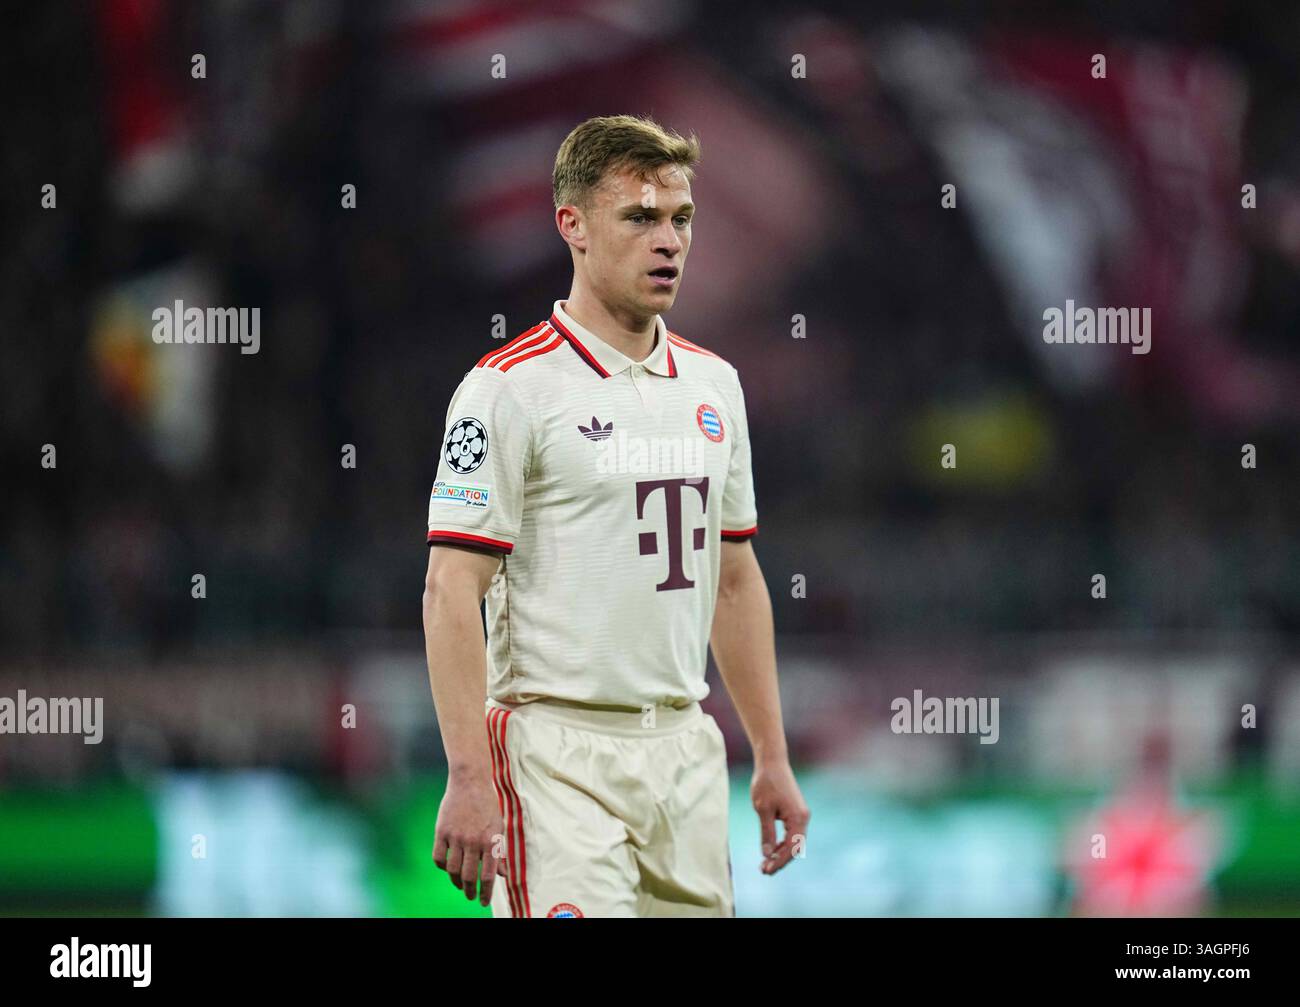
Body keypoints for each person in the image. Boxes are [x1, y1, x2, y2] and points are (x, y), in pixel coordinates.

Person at [422, 114, 808, 917]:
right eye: (640, 217)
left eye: (681, 219)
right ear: (574, 226)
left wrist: (770, 753)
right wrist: (467, 773)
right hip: (555, 755)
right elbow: (450, 587)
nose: (668, 241)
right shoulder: (508, 390)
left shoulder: (715, 386)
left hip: (685, 752)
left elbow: (733, 581)